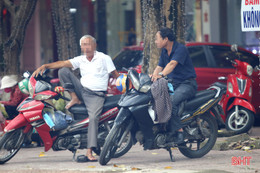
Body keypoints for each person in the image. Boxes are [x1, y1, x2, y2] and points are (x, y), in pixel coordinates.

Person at [32, 35, 119, 162]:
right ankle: (74, 98)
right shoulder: (81, 59)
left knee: (93, 118)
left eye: (88, 44)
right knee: (63, 70)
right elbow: (62, 63)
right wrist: (45, 66)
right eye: (83, 45)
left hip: (96, 95)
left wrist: (128, 83)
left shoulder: (104, 58)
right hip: (82, 90)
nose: (86, 47)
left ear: (94, 46)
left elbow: (116, 75)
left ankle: (90, 150)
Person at [151, 27, 197, 145]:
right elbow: (159, 66)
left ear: (166, 39)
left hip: (187, 84)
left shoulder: (180, 49)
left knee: (170, 101)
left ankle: (179, 131)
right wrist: (153, 76)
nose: (155, 41)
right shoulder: (164, 52)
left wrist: (160, 75)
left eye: (157, 38)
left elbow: (172, 64)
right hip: (174, 84)